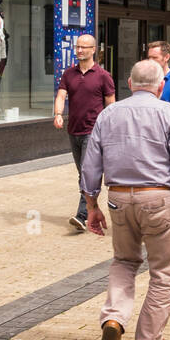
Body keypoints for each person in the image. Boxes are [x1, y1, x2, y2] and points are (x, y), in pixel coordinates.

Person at [81, 59, 170, 340]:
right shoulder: (168, 113)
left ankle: (114, 318)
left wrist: (91, 205)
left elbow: (90, 164)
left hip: (118, 198)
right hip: (157, 198)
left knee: (124, 261)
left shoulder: (108, 113)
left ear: (129, 83)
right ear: (161, 87)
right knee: (163, 271)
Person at [55, 33, 116, 232]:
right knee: (83, 174)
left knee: (86, 172)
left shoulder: (103, 76)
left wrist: (109, 129)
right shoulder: (69, 74)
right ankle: (93, 209)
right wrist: (57, 114)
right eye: (77, 46)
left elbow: (111, 105)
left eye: (84, 47)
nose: (79, 50)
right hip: (73, 130)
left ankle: (82, 215)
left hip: (93, 131)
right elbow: (61, 95)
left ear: (93, 50)